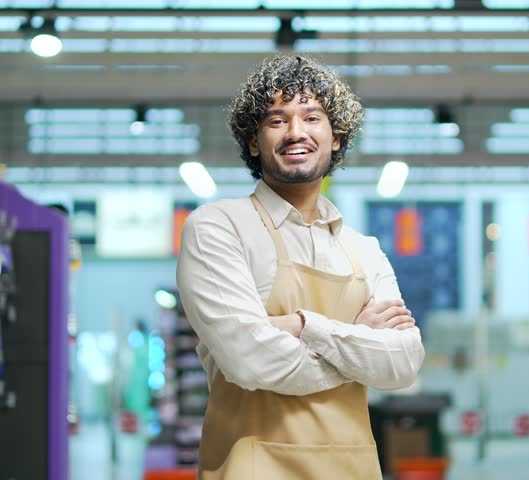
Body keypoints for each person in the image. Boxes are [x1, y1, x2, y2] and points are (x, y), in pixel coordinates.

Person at [176, 55, 425, 480]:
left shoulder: (363, 249)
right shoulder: (220, 227)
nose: (296, 132)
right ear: (253, 142)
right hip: (252, 468)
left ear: (336, 138)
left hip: (353, 467)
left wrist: (302, 324)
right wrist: (359, 342)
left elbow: (403, 364)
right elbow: (249, 360)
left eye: (312, 117)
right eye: (276, 120)